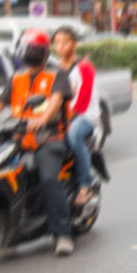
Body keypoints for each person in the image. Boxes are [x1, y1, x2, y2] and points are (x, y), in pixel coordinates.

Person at [0, 29, 76, 257]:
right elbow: (0, 103)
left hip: (50, 138)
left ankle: (62, 234)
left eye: (35, 50)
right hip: (19, 139)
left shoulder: (58, 75)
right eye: (28, 50)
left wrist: (42, 120)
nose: (31, 54)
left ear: (45, 53)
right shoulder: (17, 77)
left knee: (48, 179)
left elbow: (56, 101)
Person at [53, 26, 100, 206]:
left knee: (73, 135)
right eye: (57, 43)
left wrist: (65, 117)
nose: (61, 47)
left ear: (74, 44)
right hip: (61, 117)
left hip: (85, 117)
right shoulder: (55, 69)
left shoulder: (84, 67)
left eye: (65, 42)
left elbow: (83, 100)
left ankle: (85, 186)